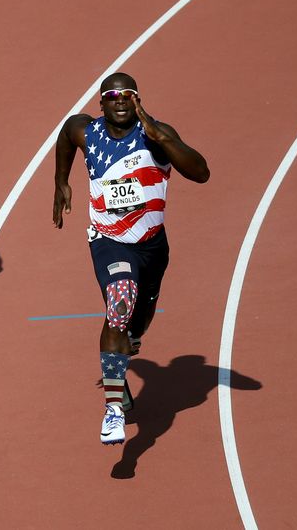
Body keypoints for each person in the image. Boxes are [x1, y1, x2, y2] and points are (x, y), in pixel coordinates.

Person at [52, 73, 209, 445]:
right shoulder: (85, 131)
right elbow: (64, 135)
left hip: (153, 246)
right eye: (112, 95)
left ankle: (123, 354)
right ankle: (113, 411)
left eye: (128, 95)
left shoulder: (156, 135)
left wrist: (161, 136)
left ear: (137, 100)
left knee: (136, 323)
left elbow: (201, 173)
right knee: (120, 303)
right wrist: (62, 181)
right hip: (109, 241)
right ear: (101, 103)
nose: (120, 100)